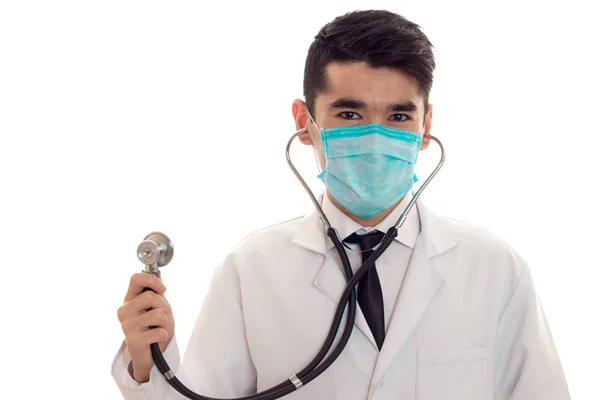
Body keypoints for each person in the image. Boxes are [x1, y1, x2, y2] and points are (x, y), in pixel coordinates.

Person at [111, 9, 571, 400]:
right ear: (304, 122)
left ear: (426, 125)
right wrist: (147, 360)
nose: (375, 136)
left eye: (398, 115)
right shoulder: (250, 270)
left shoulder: (494, 267)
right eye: (349, 114)